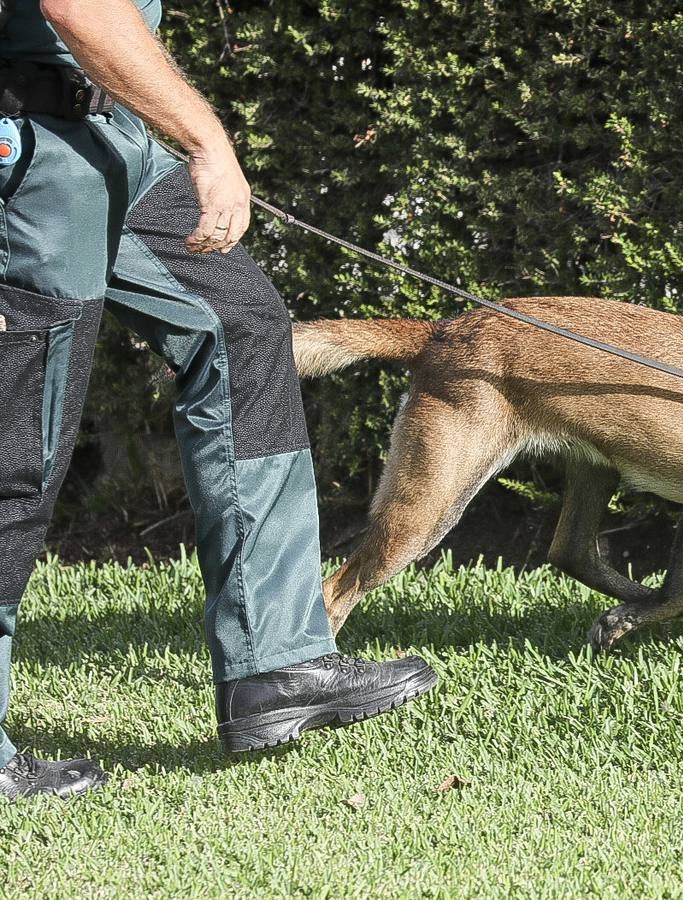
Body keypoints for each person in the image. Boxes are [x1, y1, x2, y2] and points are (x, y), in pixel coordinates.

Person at [0, 0, 437, 801]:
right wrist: (206, 140)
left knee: (242, 329)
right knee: (16, 445)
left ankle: (276, 663)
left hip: (106, 140)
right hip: (23, 153)